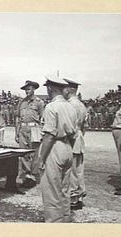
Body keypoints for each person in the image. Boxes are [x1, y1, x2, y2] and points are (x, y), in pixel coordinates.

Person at [35, 76, 77, 222]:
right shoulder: (71, 106)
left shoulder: (51, 107)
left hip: (54, 147)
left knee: (51, 189)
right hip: (67, 146)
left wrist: (41, 158)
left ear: (50, 88)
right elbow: (74, 133)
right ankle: (65, 217)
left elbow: (49, 135)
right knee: (64, 188)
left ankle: (54, 223)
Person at [62, 78, 87, 210]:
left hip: (72, 138)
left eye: (65, 88)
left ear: (70, 90)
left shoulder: (70, 105)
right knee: (78, 169)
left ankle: (73, 197)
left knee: (71, 170)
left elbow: (69, 126)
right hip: (79, 137)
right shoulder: (81, 105)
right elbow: (84, 126)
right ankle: (79, 195)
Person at [15, 80, 44, 188]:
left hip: (34, 129)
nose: (27, 91)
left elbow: (42, 118)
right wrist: (16, 132)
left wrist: (41, 132)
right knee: (23, 153)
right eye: (26, 89)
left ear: (34, 89)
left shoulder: (39, 102)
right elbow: (17, 117)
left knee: (34, 153)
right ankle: (27, 176)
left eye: (29, 89)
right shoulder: (21, 102)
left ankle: (33, 175)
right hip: (23, 129)